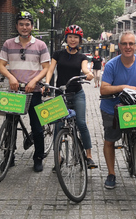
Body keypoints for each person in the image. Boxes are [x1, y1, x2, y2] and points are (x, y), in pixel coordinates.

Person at [100, 31, 136, 189]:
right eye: (124, 44)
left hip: (134, 107)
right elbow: (103, 89)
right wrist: (123, 88)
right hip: (112, 108)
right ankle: (111, 173)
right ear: (119, 46)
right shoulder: (112, 64)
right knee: (110, 140)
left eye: (131, 44)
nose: (128, 47)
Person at [0, 11, 50, 172]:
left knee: (37, 126)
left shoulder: (40, 45)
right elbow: (0, 65)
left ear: (32, 26)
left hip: (33, 91)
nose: (24, 27)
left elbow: (46, 67)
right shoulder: (8, 44)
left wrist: (34, 81)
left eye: (27, 24)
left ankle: (38, 157)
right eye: (21, 24)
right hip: (15, 91)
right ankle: (9, 157)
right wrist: (11, 78)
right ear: (16, 26)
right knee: (10, 126)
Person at [45, 24, 97, 168]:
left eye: (76, 37)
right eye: (70, 37)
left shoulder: (82, 57)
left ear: (79, 40)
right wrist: (47, 83)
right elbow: (50, 70)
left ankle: (88, 156)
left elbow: (85, 68)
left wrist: (89, 74)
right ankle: (58, 157)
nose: (73, 40)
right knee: (58, 125)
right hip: (60, 94)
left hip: (77, 93)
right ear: (66, 38)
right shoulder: (57, 54)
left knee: (81, 123)